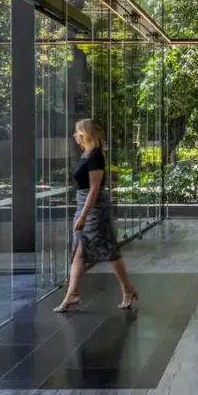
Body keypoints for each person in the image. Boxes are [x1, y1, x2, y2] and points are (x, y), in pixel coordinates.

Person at [54, 118, 138, 313]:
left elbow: (94, 189)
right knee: (79, 249)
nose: (74, 136)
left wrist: (83, 216)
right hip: (82, 204)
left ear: (85, 134)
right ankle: (72, 294)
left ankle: (127, 289)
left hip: (94, 209)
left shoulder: (96, 156)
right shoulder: (86, 154)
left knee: (108, 249)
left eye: (77, 132)